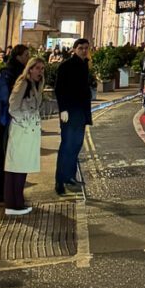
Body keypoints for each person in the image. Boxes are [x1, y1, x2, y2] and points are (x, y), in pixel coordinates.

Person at [4, 57, 46, 216]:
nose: (40, 72)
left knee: (21, 167)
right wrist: (25, 121)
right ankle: (14, 204)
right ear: (30, 69)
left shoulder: (35, 85)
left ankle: (16, 203)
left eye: (42, 69)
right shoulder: (24, 83)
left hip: (28, 131)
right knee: (16, 167)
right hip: (22, 130)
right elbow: (13, 107)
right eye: (37, 68)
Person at [0, 44, 29, 202]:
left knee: (6, 157)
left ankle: (0, 190)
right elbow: (11, 100)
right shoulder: (14, 73)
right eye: (26, 55)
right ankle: (3, 192)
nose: (27, 58)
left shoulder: (12, 71)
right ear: (18, 56)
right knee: (9, 157)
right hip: (9, 121)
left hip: (6, 120)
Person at [54, 38, 91, 196]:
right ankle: (60, 180)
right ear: (74, 49)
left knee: (76, 146)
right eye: (81, 48)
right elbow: (59, 89)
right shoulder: (66, 66)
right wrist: (63, 109)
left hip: (81, 112)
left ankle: (70, 176)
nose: (84, 50)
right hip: (70, 112)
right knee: (67, 146)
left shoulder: (84, 65)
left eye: (86, 48)